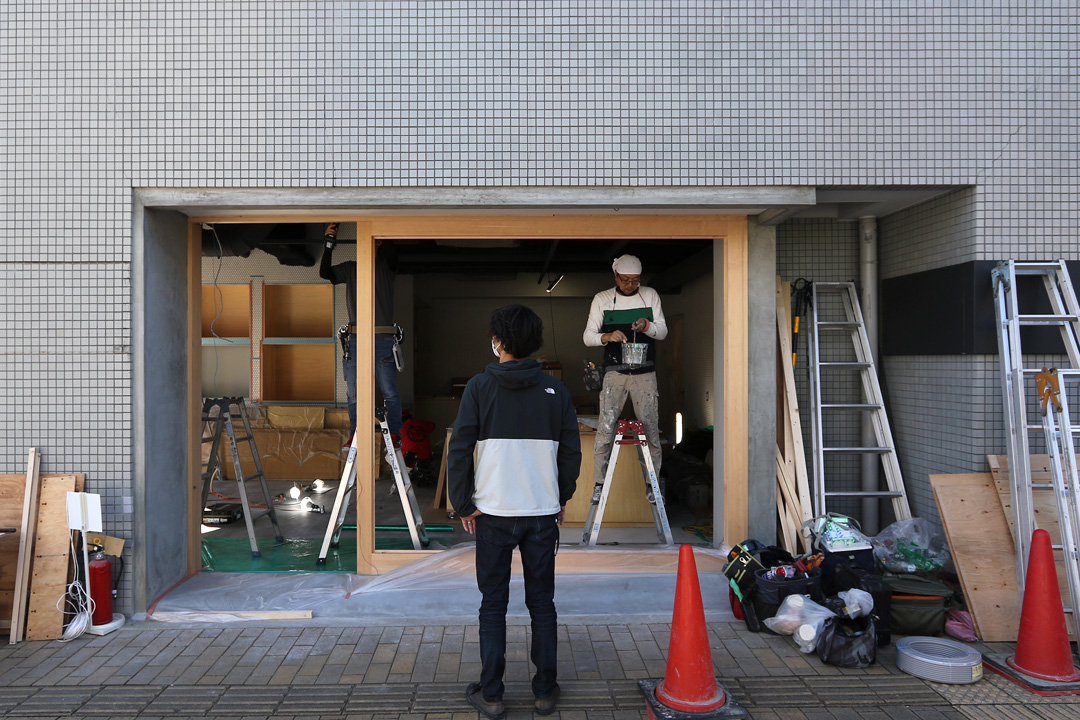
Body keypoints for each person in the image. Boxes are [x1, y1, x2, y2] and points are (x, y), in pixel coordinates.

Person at [448, 304, 581, 719]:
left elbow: (458, 449)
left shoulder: (478, 387)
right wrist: (561, 496)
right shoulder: (555, 390)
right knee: (542, 603)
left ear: (498, 342)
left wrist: (463, 504)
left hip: (492, 515)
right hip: (542, 514)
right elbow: (571, 451)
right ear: (534, 343)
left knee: (493, 604)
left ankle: (491, 695)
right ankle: (544, 692)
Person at [582, 254, 668, 489]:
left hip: (645, 374)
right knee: (606, 426)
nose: (631, 285)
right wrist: (606, 336)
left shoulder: (650, 295)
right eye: (625, 280)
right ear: (615, 275)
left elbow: (662, 332)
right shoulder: (602, 299)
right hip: (614, 373)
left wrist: (647, 326)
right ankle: (599, 482)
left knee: (651, 427)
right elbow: (587, 336)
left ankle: (652, 482)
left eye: (636, 280)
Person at [319, 223, 402, 451]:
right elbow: (325, 273)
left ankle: (394, 434)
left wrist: (384, 237)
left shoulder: (385, 267)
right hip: (356, 339)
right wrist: (329, 244)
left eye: (374, 242)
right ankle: (355, 434)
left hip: (381, 338)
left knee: (389, 391)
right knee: (354, 393)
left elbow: (394, 252)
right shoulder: (351, 268)